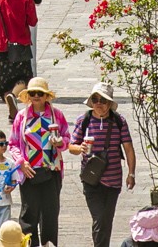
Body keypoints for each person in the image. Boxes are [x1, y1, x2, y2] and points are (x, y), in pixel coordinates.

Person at [70, 83, 136, 247]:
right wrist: (80, 148)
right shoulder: (83, 120)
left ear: (109, 103)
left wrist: (131, 173)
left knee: (106, 220)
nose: (99, 103)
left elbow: (128, 148)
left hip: (113, 180)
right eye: (95, 99)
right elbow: (71, 146)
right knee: (99, 219)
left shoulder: (119, 121)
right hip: (91, 179)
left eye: (103, 100)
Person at [10, 77, 70, 246]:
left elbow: (67, 137)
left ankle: (48, 243)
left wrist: (60, 143)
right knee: (29, 213)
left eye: (40, 93)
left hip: (51, 170)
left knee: (50, 213)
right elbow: (13, 143)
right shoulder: (22, 117)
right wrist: (21, 162)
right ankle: (29, 244)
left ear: (46, 96)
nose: (36, 96)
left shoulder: (56, 115)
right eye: (32, 93)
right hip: (30, 171)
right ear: (28, 96)